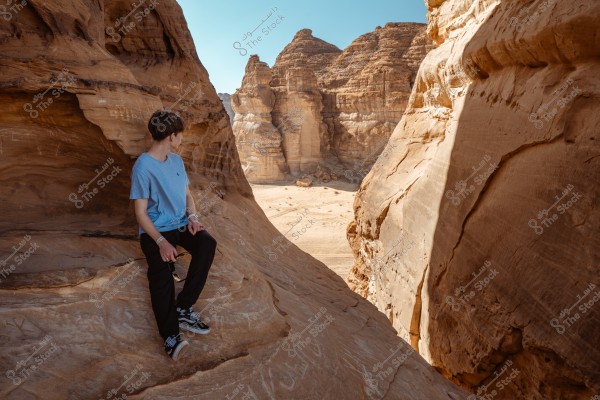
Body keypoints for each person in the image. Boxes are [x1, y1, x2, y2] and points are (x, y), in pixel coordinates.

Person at [130, 110, 218, 360]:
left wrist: (193, 217)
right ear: (171, 136)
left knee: (206, 244)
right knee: (161, 273)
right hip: (155, 230)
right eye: (180, 135)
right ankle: (170, 335)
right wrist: (160, 242)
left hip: (180, 223)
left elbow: (188, 195)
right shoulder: (143, 167)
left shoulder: (176, 161)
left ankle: (184, 308)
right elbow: (140, 213)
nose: (182, 139)